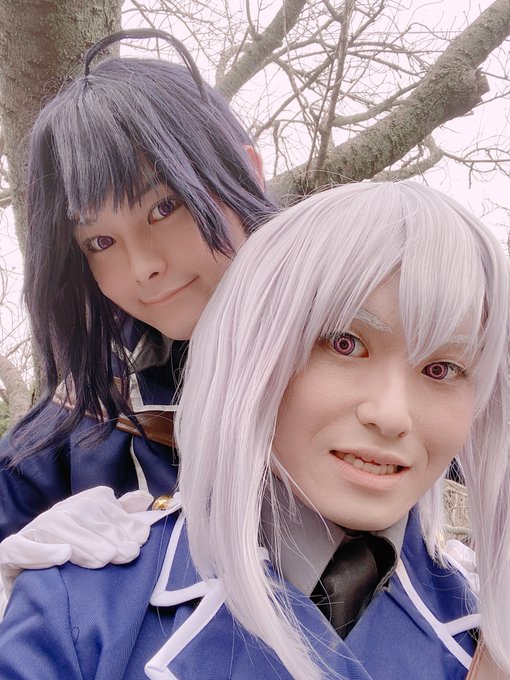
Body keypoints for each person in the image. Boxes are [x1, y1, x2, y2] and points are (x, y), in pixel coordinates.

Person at [0, 181, 507, 679]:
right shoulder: (80, 607)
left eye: (443, 369)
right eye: (345, 343)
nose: (393, 415)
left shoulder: (487, 632)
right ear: (256, 348)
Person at [0, 29, 276, 548]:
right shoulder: (90, 407)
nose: (144, 267)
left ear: (250, 173)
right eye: (100, 241)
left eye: (165, 207)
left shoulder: (365, 349)